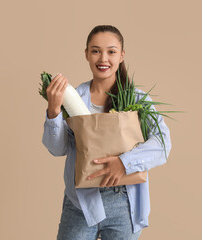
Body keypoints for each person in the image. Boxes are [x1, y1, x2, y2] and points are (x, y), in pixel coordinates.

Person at [42, 25, 172, 240]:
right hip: (79, 202)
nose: (103, 58)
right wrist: (54, 110)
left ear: (121, 55)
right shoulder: (73, 97)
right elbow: (58, 149)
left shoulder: (138, 100)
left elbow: (163, 144)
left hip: (124, 202)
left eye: (111, 51)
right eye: (95, 51)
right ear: (86, 54)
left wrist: (124, 162)